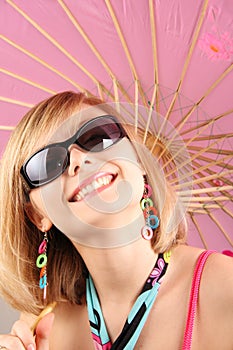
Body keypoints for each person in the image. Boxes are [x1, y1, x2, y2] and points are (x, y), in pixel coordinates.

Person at [0, 91, 232, 350]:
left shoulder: (225, 288)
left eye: (97, 136)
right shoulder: (41, 326)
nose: (78, 159)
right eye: (48, 163)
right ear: (38, 216)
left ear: (139, 159)